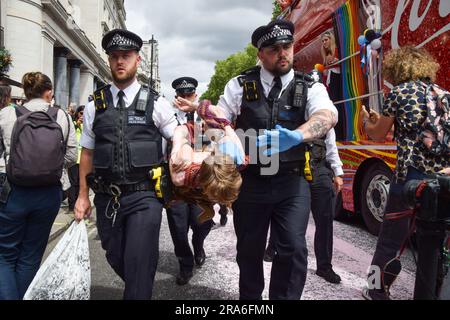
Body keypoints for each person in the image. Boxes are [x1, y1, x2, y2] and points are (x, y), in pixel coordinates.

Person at [217, 19, 338, 300]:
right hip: (250, 183)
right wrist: (226, 136)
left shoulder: (310, 85)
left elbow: (327, 115)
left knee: (294, 248)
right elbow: (218, 117)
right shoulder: (239, 85)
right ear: (260, 54)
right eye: (273, 49)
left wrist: (298, 135)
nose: (282, 53)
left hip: (291, 183)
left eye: (287, 46)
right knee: (249, 251)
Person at [74, 29, 178, 300]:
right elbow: (87, 153)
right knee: (114, 254)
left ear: (137, 60)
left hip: (145, 196)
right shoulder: (94, 105)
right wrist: (83, 196)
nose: (120, 61)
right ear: (108, 60)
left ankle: (138, 289)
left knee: (139, 261)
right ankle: (138, 285)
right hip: (107, 199)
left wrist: (183, 147)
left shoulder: (157, 102)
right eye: (115, 56)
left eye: (126, 56)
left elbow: (177, 132)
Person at [360, 46, 449, 300]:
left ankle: (376, 289)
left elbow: (378, 133)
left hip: (410, 177)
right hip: (441, 180)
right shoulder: (443, 94)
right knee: (435, 242)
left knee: (390, 239)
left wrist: (367, 121)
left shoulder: (399, 92)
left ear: (398, 68)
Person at [0, 72, 77, 300]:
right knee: (30, 256)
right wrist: (49, 166)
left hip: (12, 192)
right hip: (48, 193)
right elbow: (72, 155)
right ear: (49, 92)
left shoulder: (6, 113)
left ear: (25, 91)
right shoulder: (61, 116)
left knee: (4, 255)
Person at [264, 128, 344, 284]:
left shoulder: (325, 120)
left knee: (325, 220)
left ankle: (324, 266)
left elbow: (331, 148)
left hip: (320, 172)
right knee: (283, 213)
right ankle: (273, 247)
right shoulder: (292, 114)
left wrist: (338, 173)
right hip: (293, 171)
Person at [165, 77, 214, 286]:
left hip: (200, 183)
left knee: (203, 222)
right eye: (181, 95)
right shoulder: (166, 117)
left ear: (195, 95)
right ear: (176, 97)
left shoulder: (204, 117)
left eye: (189, 94)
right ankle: (185, 264)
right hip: (176, 184)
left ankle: (198, 243)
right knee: (178, 228)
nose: (185, 98)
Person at [321, 31, 344, 140]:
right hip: (330, 82)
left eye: (326, 40)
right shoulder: (326, 54)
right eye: (323, 41)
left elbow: (343, 65)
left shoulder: (338, 50)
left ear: (331, 40)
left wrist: (336, 62)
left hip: (337, 80)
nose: (324, 42)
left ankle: (340, 132)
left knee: (338, 106)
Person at [67, 105, 85, 211]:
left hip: (83, 160)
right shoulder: (73, 124)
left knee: (81, 182)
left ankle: (79, 202)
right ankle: (71, 204)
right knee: (73, 183)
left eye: (84, 114)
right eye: (81, 113)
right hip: (74, 159)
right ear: (77, 113)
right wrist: (76, 125)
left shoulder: (87, 126)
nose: (82, 116)